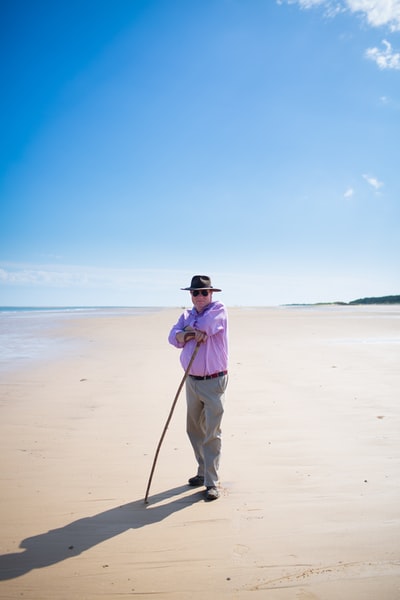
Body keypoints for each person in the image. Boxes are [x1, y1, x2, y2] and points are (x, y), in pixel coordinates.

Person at [168, 275, 228, 501]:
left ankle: (212, 482)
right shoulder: (186, 314)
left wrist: (186, 333)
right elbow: (172, 338)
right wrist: (189, 334)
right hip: (191, 380)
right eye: (196, 293)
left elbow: (207, 327)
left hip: (214, 381)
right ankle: (202, 471)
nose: (200, 296)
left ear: (211, 294)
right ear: (190, 295)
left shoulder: (218, 309)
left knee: (212, 432)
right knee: (194, 430)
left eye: (204, 292)